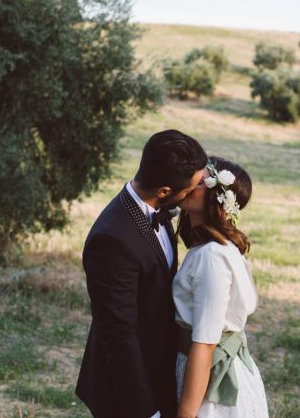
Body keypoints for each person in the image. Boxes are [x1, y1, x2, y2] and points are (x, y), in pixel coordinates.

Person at [76, 129, 208, 418]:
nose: (192, 195)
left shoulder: (156, 207)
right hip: (127, 389)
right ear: (163, 191)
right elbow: (119, 335)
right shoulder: (111, 240)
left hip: (159, 370)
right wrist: (146, 411)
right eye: (189, 190)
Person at [173, 156, 269, 418]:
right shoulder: (207, 248)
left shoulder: (212, 257)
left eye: (202, 180)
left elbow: (205, 343)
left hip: (211, 382)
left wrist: (185, 413)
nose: (190, 182)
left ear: (218, 197)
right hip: (202, 370)